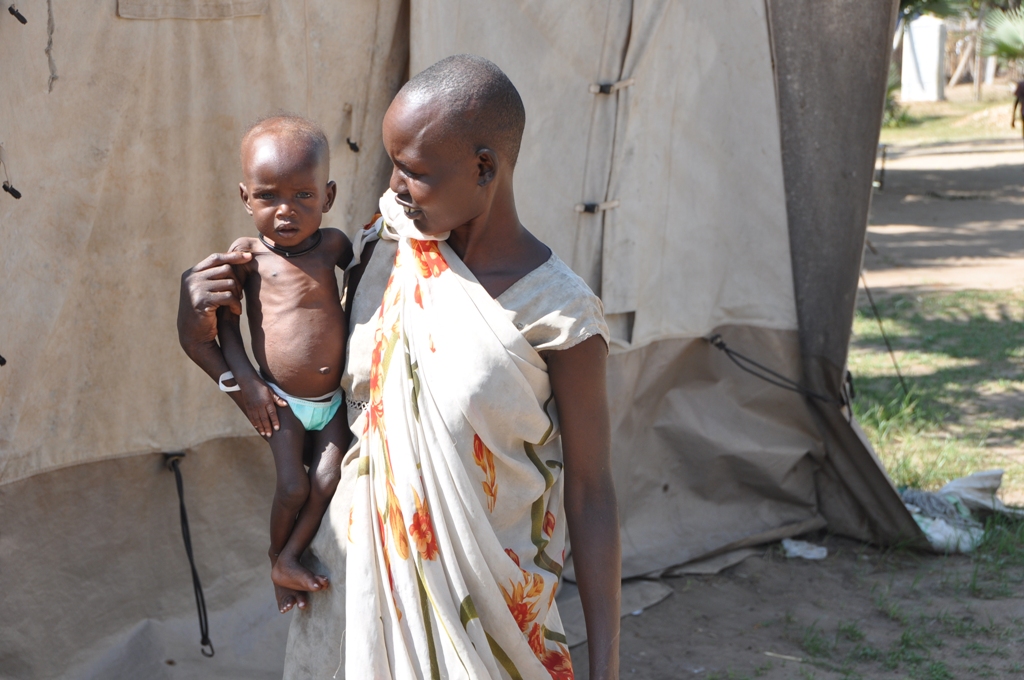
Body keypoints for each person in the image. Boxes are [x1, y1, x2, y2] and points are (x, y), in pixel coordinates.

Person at [179, 56, 620, 679]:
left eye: (413, 171)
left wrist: (607, 669)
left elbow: (592, 492)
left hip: (486, 617)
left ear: (484, 167)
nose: (393, 187)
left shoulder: (560, 313)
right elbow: (308, 385)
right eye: (391, 164)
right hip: (350, 598)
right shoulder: (380, 251)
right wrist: (201, 339)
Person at [202, 115, 353, 614]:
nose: (285, 211)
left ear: (327, 197)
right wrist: (247, 380)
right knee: (293, 486)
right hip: (281, 400)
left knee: (330, 480)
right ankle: (277, 556)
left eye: (303, 196)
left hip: (332, 402)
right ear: (246, 198)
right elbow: (226, 327)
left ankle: (289, 555)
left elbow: (359, 295)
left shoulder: (335, 246)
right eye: (268, 197)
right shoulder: (245, 257)